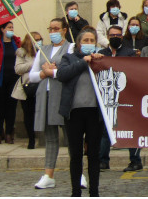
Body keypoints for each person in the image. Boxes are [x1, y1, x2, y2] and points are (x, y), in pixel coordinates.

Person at [28, 18, 77, 189]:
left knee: (71, 137)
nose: (53, 32)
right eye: (51, 28)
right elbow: (31, 75)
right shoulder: (43, 49)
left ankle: (78, 173)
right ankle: (48, 174)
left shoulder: (70, 47)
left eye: (57, 28)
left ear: (64, 30)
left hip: (63, 95)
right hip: (46, 95)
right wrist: (44, 73)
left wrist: (53, 71)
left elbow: (70, 69)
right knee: (50, 137)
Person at [57, 27, 104, 197]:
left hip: (94, 113)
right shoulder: (68, 58)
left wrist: (99, 61)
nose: (89, 44)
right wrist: (83, 61)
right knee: (75, 154)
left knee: (94, 154)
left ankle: (94, 191)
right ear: (78, 44)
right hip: (74, 113)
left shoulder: (100, 59)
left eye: (92, 41)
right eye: (86, 41)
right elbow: (62, 75)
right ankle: (75, 191)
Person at [98, 26, 135, 172]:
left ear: (122, 36)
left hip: (126, 96)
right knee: (105, 130)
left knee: (130, 129)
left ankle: (135, 160)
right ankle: (103, 160)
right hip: (106, 98)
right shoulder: (101, 53)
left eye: (118, 35)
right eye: (112, 34)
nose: (115, 37)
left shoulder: (129, 53)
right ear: (107, 36)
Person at [11, 32, 43, 149]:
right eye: (36, 39)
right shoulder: (22, 53)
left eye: (40, 39)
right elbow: (18, 69)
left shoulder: (43, 52)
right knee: (28, 114)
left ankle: (42, 136)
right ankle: (31, 138)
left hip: (40, 86)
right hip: (27, 87)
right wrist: (33, 64)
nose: (39, 41)